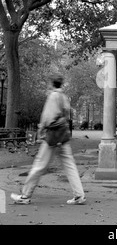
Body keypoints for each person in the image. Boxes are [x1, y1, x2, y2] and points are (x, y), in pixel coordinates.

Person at [11, 74, 86, 205]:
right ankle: (79, 195)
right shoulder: (64, 96)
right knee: (70, 165)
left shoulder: (53, 96)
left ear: (52, 84)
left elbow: (48, 117)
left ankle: (25, 195)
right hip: (63, 135)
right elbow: (68, 114)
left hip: (53, 136)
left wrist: (41, 129)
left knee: (39, 165)